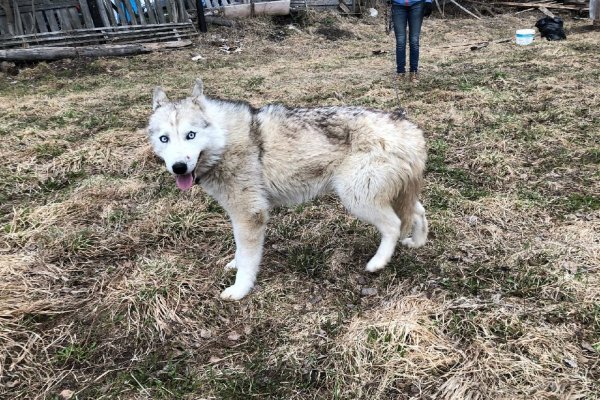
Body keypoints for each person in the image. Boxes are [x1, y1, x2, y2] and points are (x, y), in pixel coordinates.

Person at [391, 0, 433, 83]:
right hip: (398, 5)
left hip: (417, 4)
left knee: (414, 41)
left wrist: (428, 1)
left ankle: (413, 72)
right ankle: (400, 72)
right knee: (400, 41)